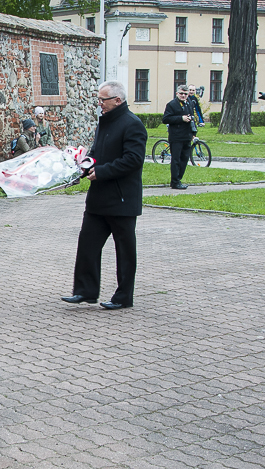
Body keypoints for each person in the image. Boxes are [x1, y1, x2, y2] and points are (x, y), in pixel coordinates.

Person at [61, 80, 147, 310]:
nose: (99, 103)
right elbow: (96, 152)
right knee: (87, 245)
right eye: (98, 99)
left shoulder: (133, 124)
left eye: (103, 100)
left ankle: (123, 297)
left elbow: (133, 159)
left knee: (125, 252)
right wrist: (84, 165)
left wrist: (102, 172)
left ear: (117, 100)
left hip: (122, 200)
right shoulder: (104, 122)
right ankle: (84, 291)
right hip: (98, 199)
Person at [162, 85, 194, 189]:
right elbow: (165, 119)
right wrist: (181, 118)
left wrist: (193, 133)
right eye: (181, 93)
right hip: (176, 136)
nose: (183, 95)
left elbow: (192, 117)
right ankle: (175, 181)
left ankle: (178, 179)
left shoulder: (189, 103)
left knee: (184, 159)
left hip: (187, 136)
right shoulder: (172, 104)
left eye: (185, 94)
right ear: (177, 93)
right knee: (176, 160)